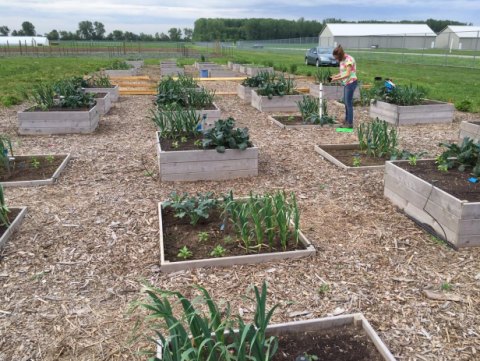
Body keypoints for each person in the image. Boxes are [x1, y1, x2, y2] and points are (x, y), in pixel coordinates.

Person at [330, 45, 358, 129]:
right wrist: (334, 76)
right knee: (346, 102)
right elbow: (343, 72)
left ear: (340, 55)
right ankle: (346, 120)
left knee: (348, 103)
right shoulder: (343, 60)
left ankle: (350, 123)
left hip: (351, 82)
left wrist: (336, 79)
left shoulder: (348, 60)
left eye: (336, 57)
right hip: (347, 83)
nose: (336, 59)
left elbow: (347, 74)